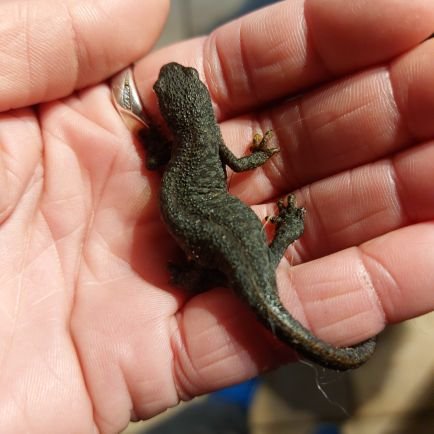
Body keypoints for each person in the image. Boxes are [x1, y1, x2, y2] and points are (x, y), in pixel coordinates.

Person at [0, 0, 433, 432]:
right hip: (211, 236)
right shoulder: (208, 140)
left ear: (173, 118)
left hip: (209, 236)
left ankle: (234, 297)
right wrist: (263, 162)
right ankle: (239, 275)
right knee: (249, 264)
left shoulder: (190, 143)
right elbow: (242, 167)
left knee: (246, 265)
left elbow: (165, 162)